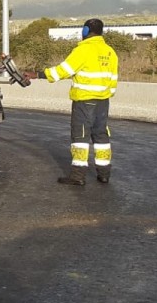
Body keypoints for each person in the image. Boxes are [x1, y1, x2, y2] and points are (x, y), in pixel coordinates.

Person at [27, 18, 119, 185]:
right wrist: (105, 95)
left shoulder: (83, 50)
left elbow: (64, 70)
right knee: (101, 136)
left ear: (85, 31)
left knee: (80, 137)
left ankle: (78, 176)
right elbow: (113, 80)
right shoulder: (110, 52)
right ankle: (104, 174)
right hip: (103, 102)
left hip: (84, 101)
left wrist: (39, 74)